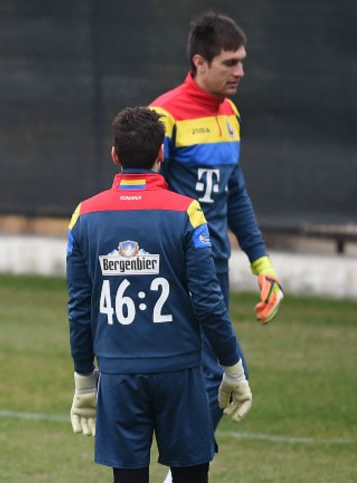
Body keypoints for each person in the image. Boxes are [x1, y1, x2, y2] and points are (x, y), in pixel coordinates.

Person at [66, 106, 253, 483]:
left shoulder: (84, 215)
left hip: (118, 376)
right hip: (179, 374)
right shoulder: (187, 212)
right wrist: (233, 369)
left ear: (115, 155)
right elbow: (209, 303)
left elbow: (79, 310)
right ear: (161, 154)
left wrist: (85, 377)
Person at [148, 12, 283, 431]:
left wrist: (261, 264)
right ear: (200, 62)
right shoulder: (164, 116)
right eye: (230, 62)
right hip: (177, 270)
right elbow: (146, 193)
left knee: (209, 376)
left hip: (215, 270)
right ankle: (184, 460)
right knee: (224, 373)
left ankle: (176, 458)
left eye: (242, 61)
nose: (240, 71)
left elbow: (235, 194)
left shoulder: (230, 114)